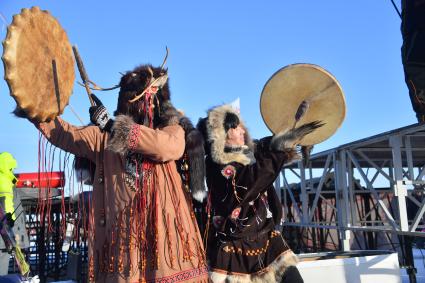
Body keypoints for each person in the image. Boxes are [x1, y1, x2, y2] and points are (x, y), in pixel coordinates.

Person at [27, 65, 208, 282]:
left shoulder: (172, 129)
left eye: (150, 99)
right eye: (141, 99)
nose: (146, 105)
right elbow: (66, 135)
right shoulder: (103, 138)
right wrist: (33, 106)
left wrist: (114, 127)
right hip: (123, 241)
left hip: (165, 238)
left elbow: (166, 147)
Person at [197, 104, 322, 282]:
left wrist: (295, 134)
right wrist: (283, 147)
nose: (242, 130)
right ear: (220, 135)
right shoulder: (218, 167)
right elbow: (252, 180)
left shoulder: (246, 153)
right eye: (235, 126)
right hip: (235, 252)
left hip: (267, 242)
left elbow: (266, 146)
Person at [0, 152, 29, 275]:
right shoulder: (4, 181)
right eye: (11, 168)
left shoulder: (6, 181)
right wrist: (9, 225)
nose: (13, 171)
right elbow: (6, 203)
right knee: (2, 266)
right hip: (6, 233)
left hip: (8, 232)